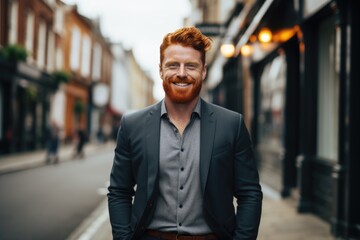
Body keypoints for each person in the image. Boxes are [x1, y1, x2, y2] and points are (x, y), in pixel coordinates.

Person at [107, 26, 263, 240]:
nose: (181, 73)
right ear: (161, 70)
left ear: (204, 71)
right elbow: (119, 192)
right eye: (173, 65)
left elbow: (249, 194)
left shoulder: (232, 125)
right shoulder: (132, 125)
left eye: (191, 66)